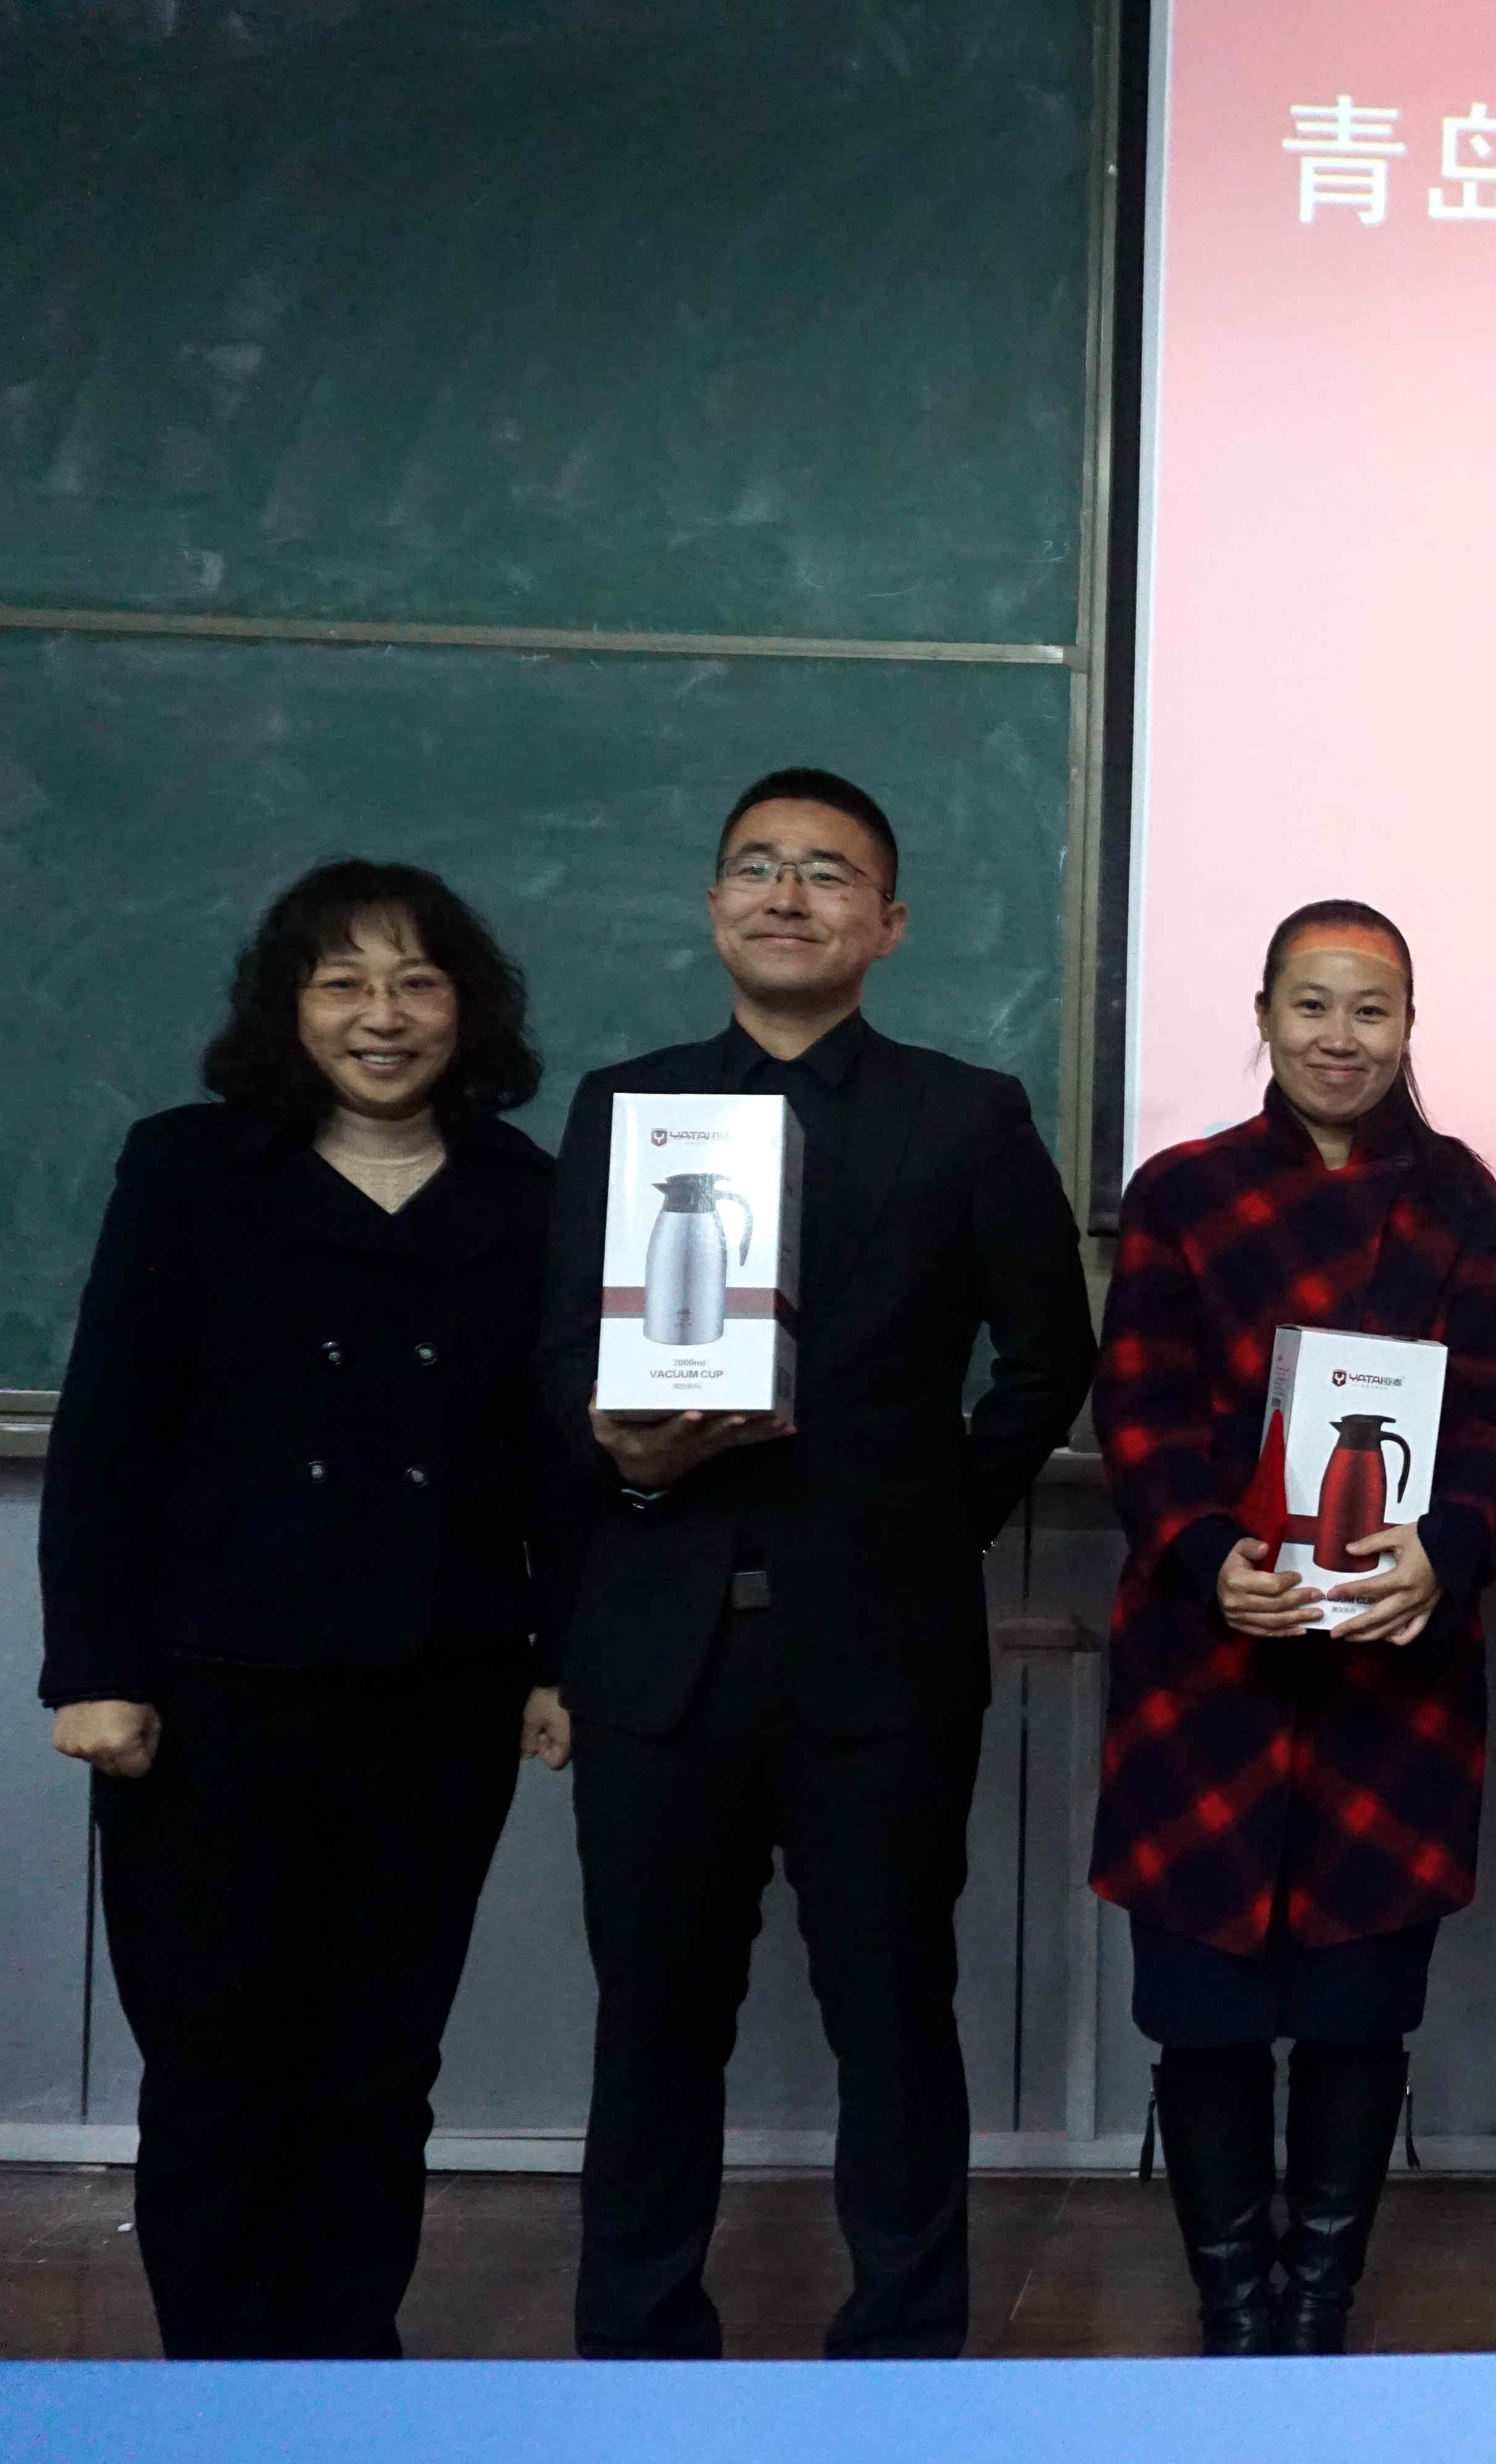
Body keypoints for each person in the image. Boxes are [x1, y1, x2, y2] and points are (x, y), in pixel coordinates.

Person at [538, 768, 1099, 2359]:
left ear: (890, 923)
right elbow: (550, 1360)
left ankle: (902, 2361)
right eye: (758, 868)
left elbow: (1047, 1359)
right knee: (651, 2025)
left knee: (895, 2014)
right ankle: (640, 2356)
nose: (789, 897)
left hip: (881, 1650)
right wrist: (617, 1455)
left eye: (829, 875)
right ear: (714, 903)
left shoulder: (966, 1115)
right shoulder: (625, 1110)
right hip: (658, 1645)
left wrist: (933, 1521)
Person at [39, 860, 558, 2357]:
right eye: (343, 984)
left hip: (443, 1685)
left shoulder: (527, 1191)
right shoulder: (191, 1167)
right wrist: (93, 1665)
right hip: (213, 1688)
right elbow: (109, 1426)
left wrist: (562, 1653)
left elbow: (551, 1456)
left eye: (417, 983)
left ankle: (343, 2374)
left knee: (381, 2064)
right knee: (215, 2057)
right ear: (289, 1006)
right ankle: (218, 2384)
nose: (381, 1017)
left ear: (467, 1008)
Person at [1089, 899, 1496, 2357]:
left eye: (1372, 1009)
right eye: (1314, 1005)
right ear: (1266, 1015)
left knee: (1358, 2005)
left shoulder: (1463, 1198)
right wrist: (1207, 1554)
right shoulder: (1182, 1189)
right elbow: (1138, 1405)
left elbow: (1493, 1413)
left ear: (1410, 1027)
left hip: (1395, 1660)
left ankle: (1320, 2304)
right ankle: (1234, 2306)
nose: (1343, 1036)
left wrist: (1443, 1550)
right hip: (1206, 1658)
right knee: (1201, 2007)